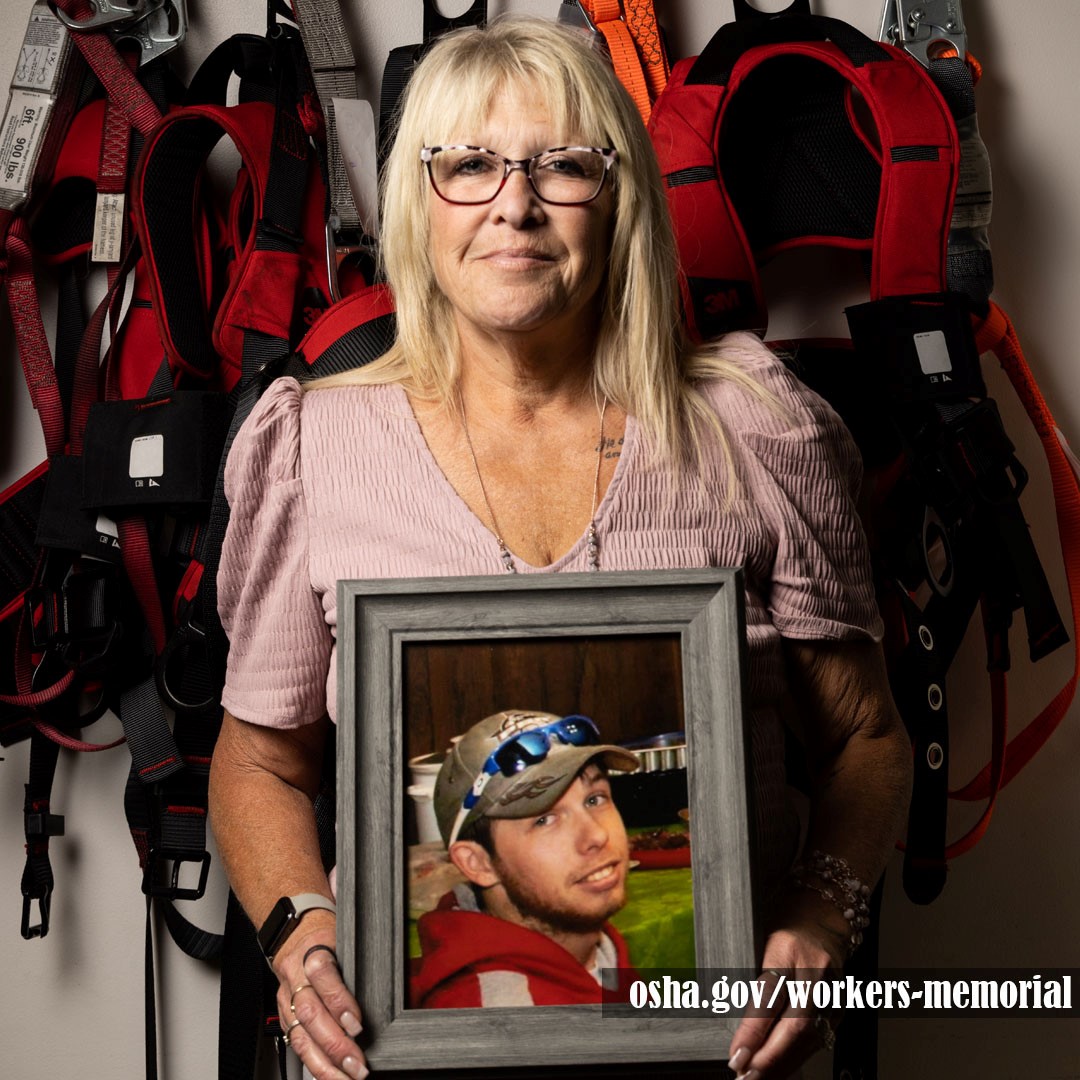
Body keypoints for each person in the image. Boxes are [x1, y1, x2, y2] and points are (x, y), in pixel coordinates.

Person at [208, 15, 911, 1080]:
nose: (515, 204)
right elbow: (259, 760)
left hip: (715, 1054)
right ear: (416, 203)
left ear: (621, 199)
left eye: (565, 165)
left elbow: (865, 737)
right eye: (469, 165)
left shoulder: (756, 425)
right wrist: (302, 934)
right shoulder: (316, 444)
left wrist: (824, 917)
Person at [410, 709, 641, 1008]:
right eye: (544, 819)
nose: (596, 835)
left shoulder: (594, 948)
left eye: (594, 799)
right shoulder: (499, 1013)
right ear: (478, 863)